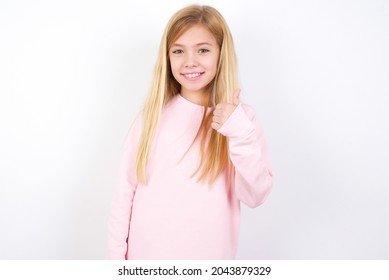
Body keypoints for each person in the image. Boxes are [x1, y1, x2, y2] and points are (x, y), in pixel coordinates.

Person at [107, 4, 273, 260]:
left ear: (221, 54)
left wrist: (238, 133)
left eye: (203, 50)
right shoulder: (152, 118)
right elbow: (124, 195)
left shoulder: (242, 121)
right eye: (178, 51)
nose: (190, 61)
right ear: (168, 57)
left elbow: (255, 195)